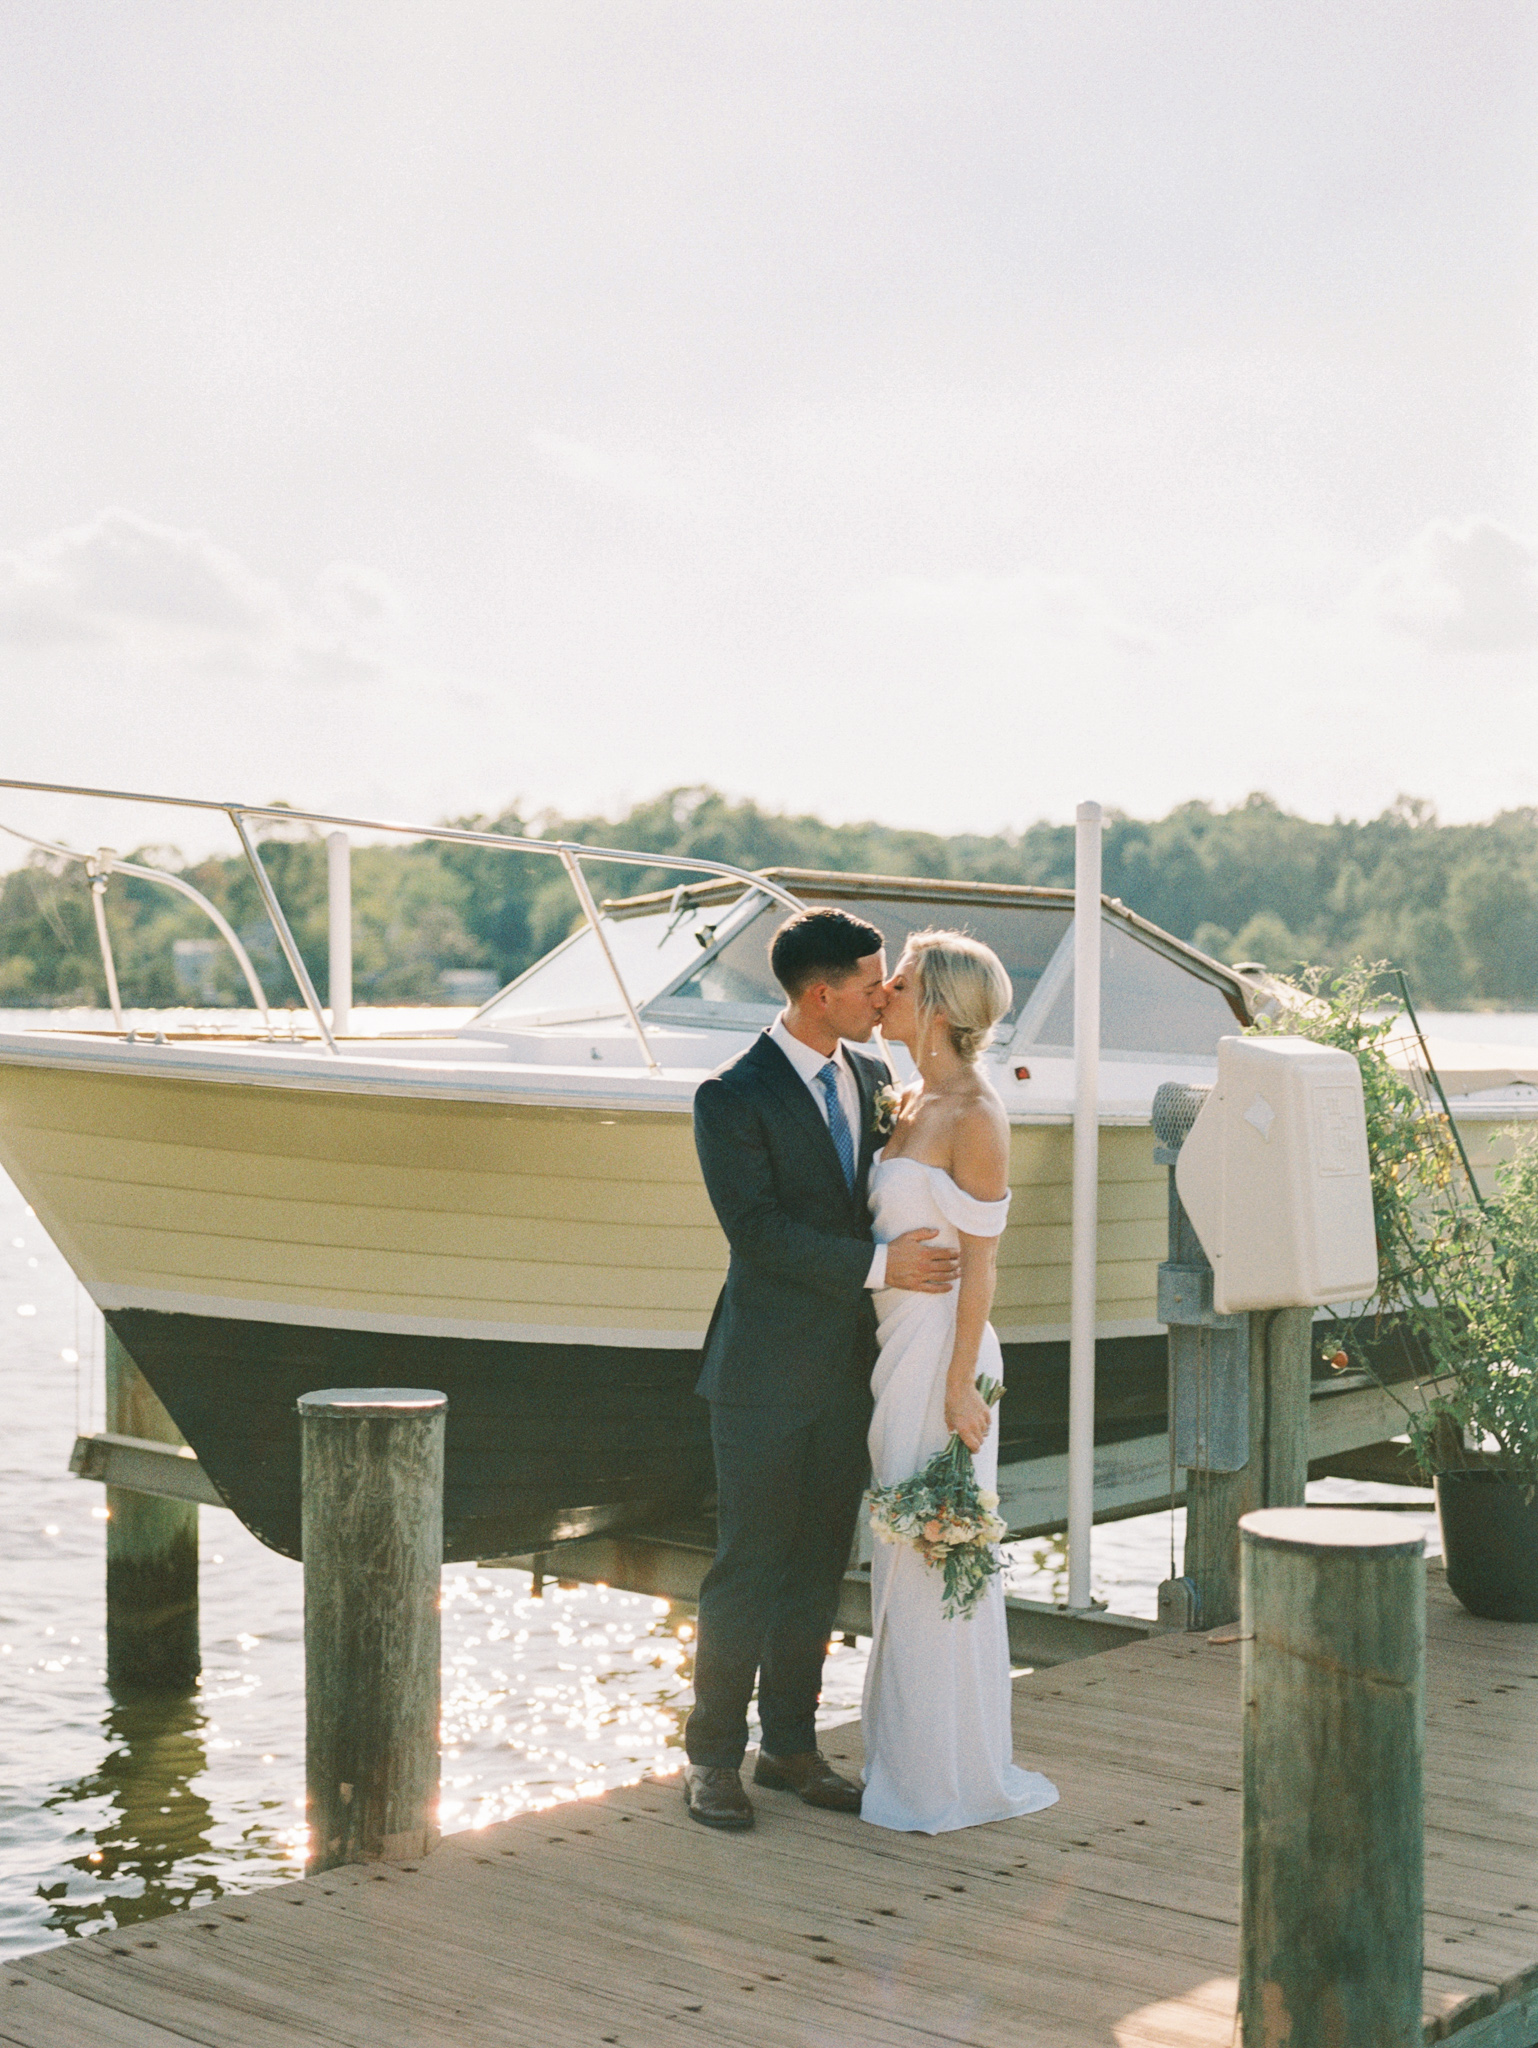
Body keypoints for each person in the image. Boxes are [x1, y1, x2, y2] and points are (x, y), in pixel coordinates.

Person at [683, 906, 962, 1830]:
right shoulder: (731, 1096)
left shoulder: (875, 1073)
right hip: (762, 1372)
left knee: (815, 1569)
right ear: (821, 993)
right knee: (747, 1566)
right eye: (873, 982)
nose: (886, 995)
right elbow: (757, 1235)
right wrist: (884, 1270)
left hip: (851, 1369)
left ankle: (791, 1749)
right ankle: (713, 1759)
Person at [859, 930, 1060, 1834]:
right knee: (901, 1557)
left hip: (946, 1354)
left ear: (934, 1006)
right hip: (895, 1346)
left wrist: (955, 1389)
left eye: (897, 981)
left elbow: (981, 1268)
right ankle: (901, 1757)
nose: (882, 991)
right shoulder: (907, 1099)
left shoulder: (976, 1112)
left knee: (938, 1555)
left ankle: (946, 1774)